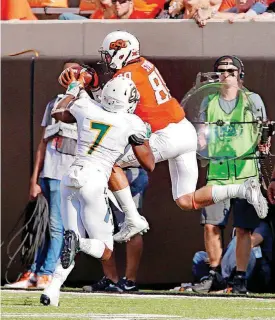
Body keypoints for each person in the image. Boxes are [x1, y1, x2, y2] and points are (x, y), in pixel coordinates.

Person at [98, 31, 268, 243]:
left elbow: (109, 111)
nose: (106, 59)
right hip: (185, 131)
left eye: (108, 54)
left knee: (106, 162)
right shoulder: (145, 64)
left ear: (120, 52)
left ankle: (132, 218)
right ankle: (242, 189)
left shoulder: (124, 77)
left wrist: (91, 88)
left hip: (165, 136)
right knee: (186, 201)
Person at [40, 73, 155, 306]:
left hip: (70, 177)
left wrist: (74, 88)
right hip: (94, 181)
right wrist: (145, 137)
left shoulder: (86, 106)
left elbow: (58, 113)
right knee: (104, 249)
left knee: (69, 240)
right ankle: (80, 244)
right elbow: (149, 163)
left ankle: (51, 291)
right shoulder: (132, 122)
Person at [4, 60, 85, 290]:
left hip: (68, 174)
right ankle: (33, 273)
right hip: (48, 173)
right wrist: (34, 179)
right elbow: (43, 142)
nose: (69, 75)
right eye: (66, 71)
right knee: (39, 225)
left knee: (57, 225)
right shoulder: (53, 104)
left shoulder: (86, 106)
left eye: (75, 72)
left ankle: (47, 273)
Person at [190, 55, 268, 294]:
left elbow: (263, 131)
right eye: (221, 70)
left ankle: (240, 277)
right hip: (218, 172)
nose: (226, 74)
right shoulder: (209, 102)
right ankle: (215, 273)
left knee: (244, 228)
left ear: (240, 74)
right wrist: (200, 139)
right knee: (211, 224)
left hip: (246, 173)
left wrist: (264, 148)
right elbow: (202, 132)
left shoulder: (252, 100)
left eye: (231, 70)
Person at [83, 167, 149, 292]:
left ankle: (130, 281)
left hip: (127, 172)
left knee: (132, 226)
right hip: (102, 174)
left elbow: (147, 159)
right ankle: (110, 278)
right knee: (101, 226)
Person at [191, 220, 273, 293]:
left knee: (237, 242)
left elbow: (249, 244)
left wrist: (222, 260)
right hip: (233, 267)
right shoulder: (239, 225)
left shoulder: (261, 225)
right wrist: (216, 258)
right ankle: (208, 282)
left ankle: (230, 284)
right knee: (200, 256)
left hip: (257, 273)